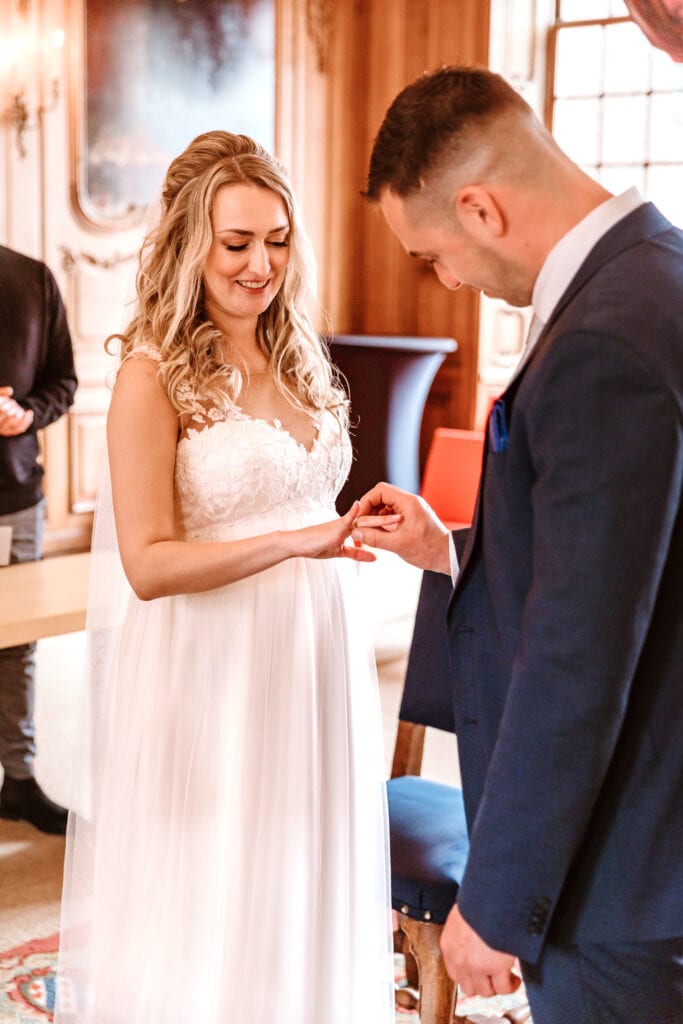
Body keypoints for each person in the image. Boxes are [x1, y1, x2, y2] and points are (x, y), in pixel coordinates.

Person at [353, 65, 683, 1023]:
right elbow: (634, 569)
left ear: (481, 209)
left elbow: (578, 657)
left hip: (623, 865)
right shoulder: (652, 275)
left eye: (431, 253)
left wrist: (496, 902)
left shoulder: (601, 340)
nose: (446, 278)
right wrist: (453, 552)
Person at [55, 131, 396, 1024]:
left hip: (312, 659)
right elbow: (148, 564)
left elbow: (308, 498)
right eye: (235, 242)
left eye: (276, 239)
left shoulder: (300, 360)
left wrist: (354, 527)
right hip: (211, 665)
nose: (260, 265)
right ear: (187, 246)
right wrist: (289, 545)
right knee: (217, 888)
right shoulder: (150, 376)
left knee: (302, 870)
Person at [0, 244, 77, 835]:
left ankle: (18, 781)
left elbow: (64, 383)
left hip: (16, 499)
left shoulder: (32, 278)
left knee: (16, 645)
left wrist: (27, 413)